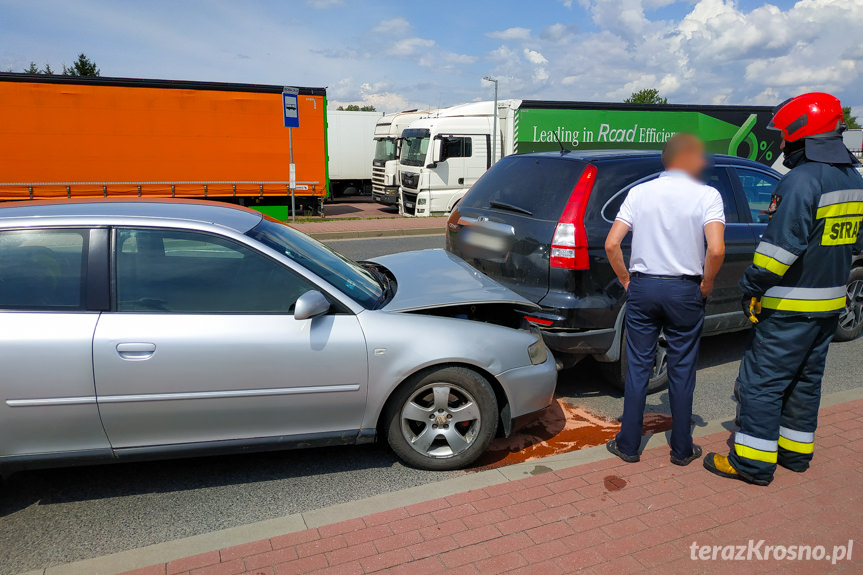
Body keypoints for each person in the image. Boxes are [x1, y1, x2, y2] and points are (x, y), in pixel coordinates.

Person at [704, 93, 863, 486]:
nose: (781, 144)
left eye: (784, 136)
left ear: (800, 135)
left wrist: (750, 285)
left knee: (761, 384)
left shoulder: (801, 181)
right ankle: (795, 454)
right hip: (829, 304)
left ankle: (752, 464)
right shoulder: (852, 179)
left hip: (789, 305)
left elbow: (780, 251)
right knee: (806, 382)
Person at [605, 133, 726, 466]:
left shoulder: (639, 193)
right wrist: (707, 281)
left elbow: (612, 245)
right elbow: (716, 249)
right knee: (682, 367)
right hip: (685, 289)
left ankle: (628, 445)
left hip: (644, 286)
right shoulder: (708, 195)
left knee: (639, 367)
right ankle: (682, 449)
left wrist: (627, 279)